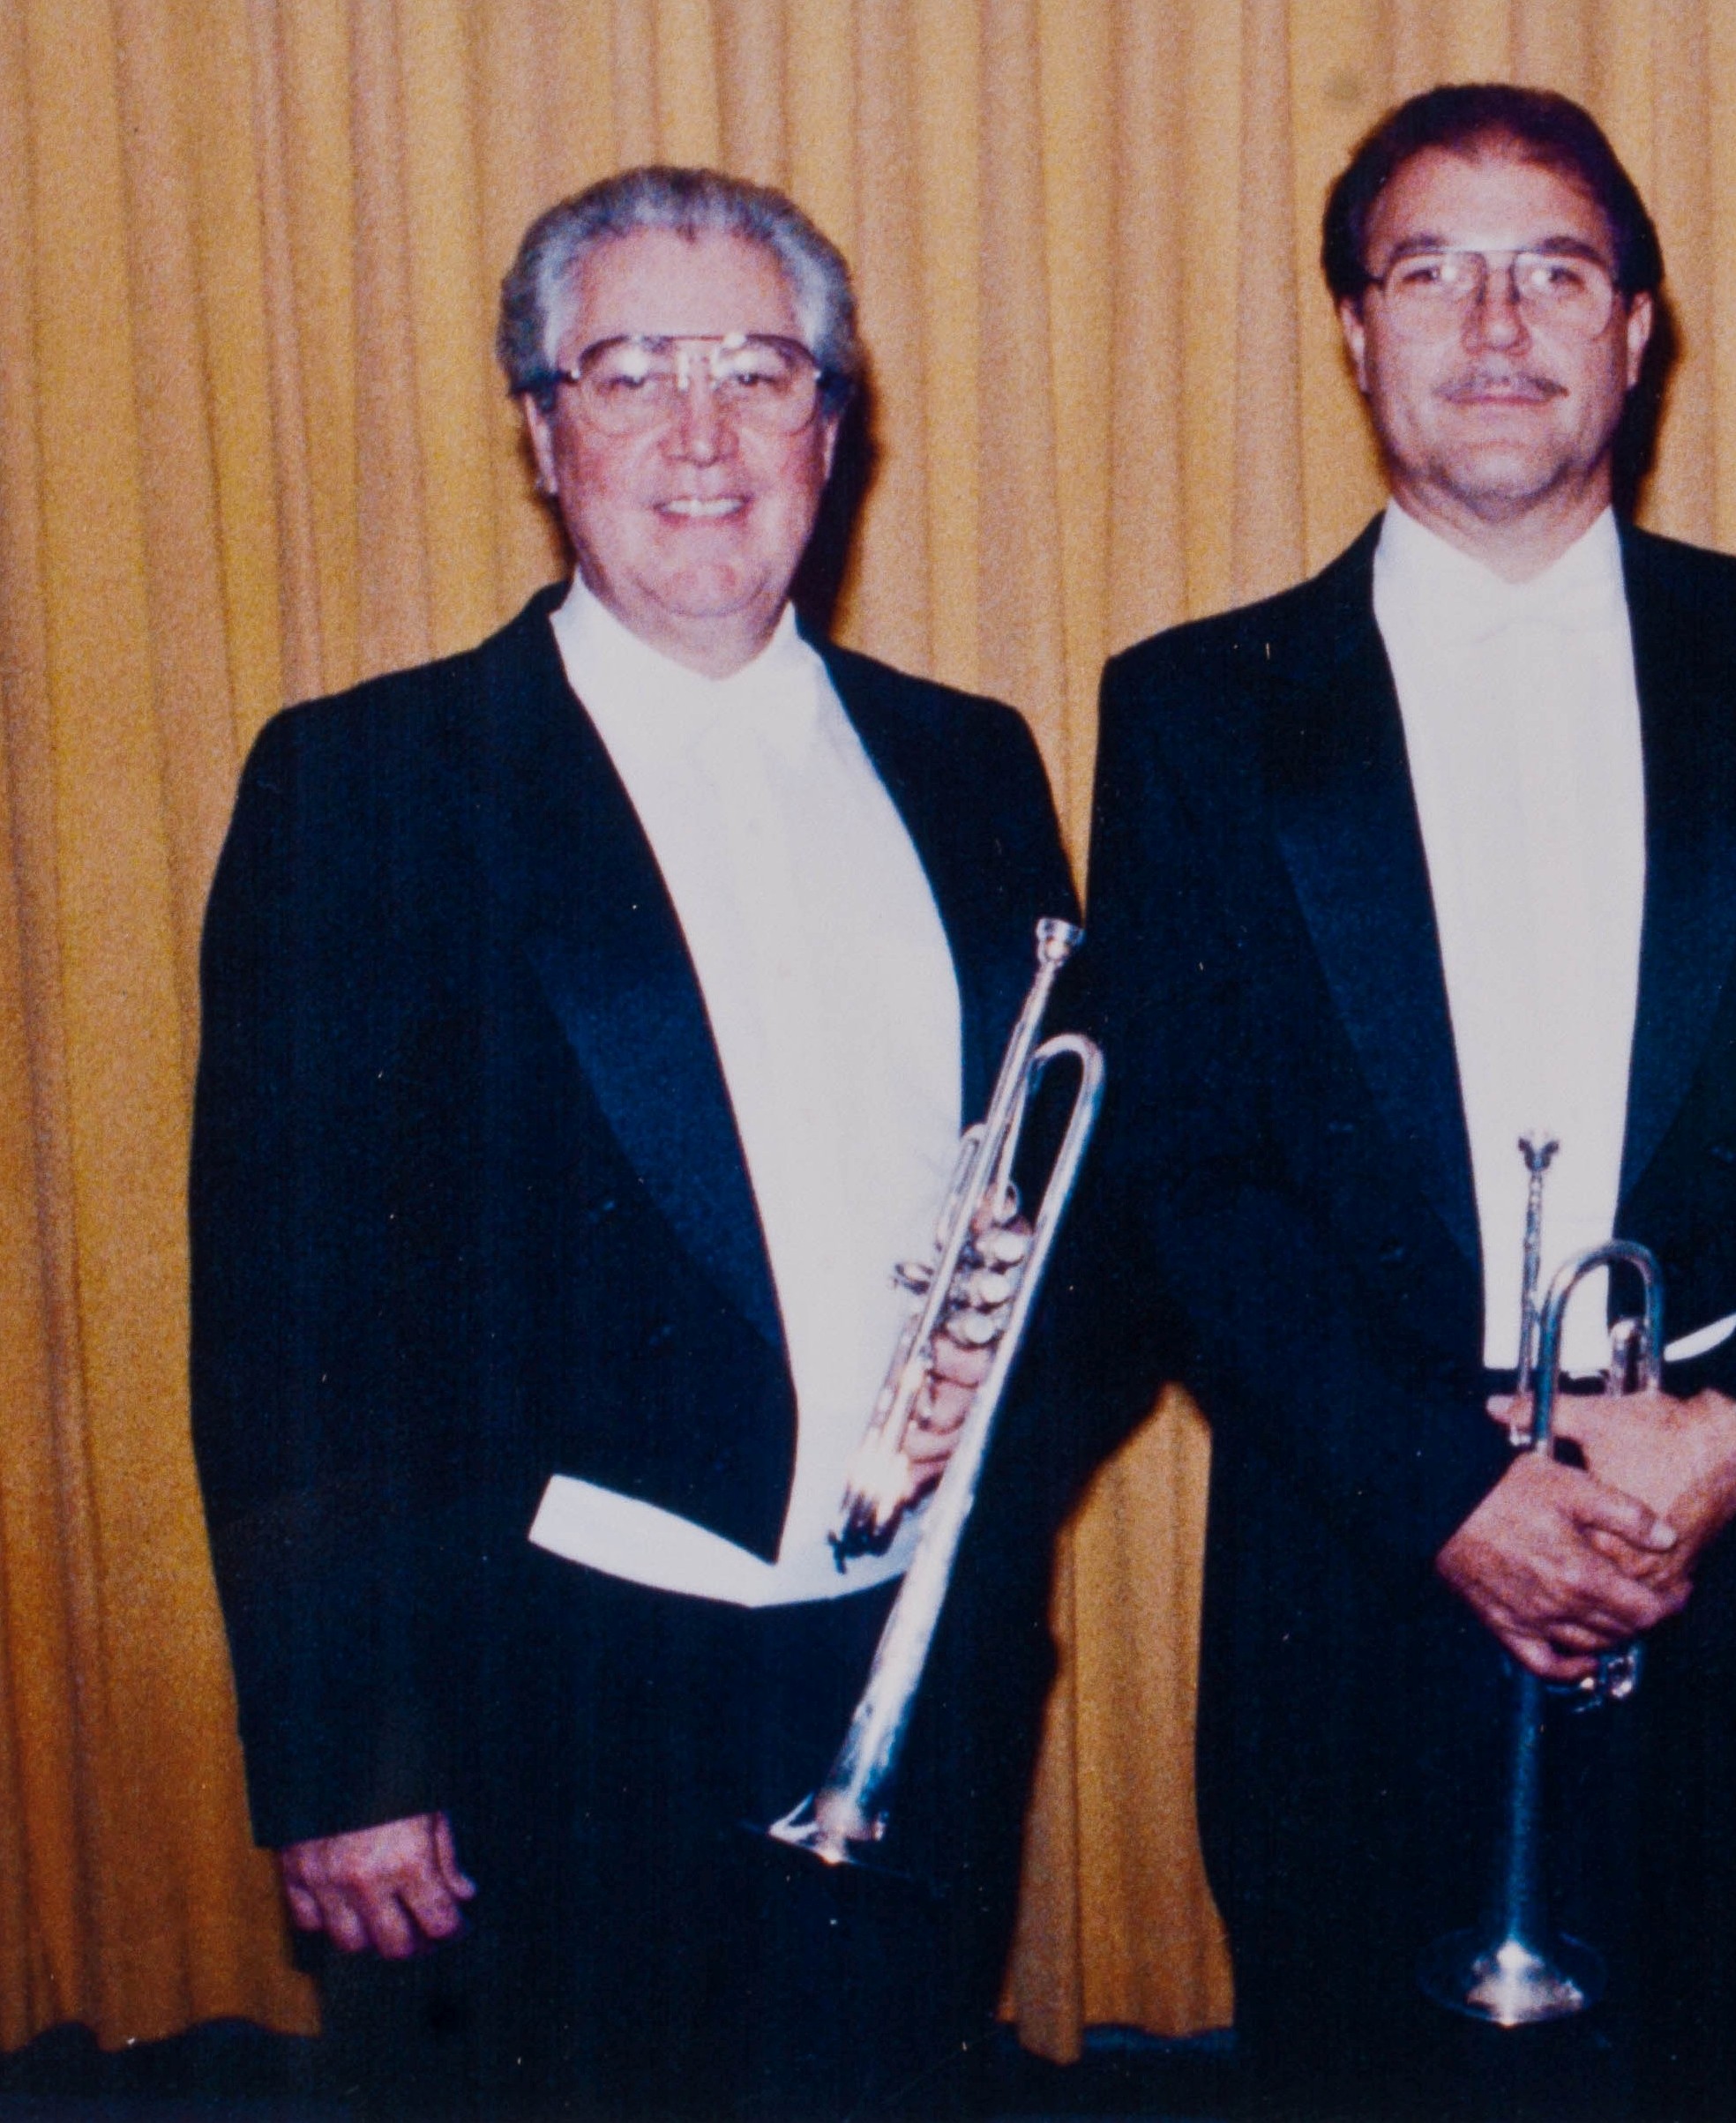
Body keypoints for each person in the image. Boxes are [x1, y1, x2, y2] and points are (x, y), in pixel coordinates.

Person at [188, 166, 1080, 2117]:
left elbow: (1053, 1195)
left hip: (900, 1686)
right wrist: (351, 1753)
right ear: (539, 428)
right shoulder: (367, 778)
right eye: (630, 372)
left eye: (758, 373)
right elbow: (284, 1309)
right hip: (537, 1703)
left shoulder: (972, 756)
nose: (699, 434)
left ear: (831, 431)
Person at [1075, 82, 1736, 2119]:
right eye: (1431, 270)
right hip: (1364, 1559)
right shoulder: (1189, 705)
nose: (1499, 323)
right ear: (1355, 331)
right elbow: (1182, 1174)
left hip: (1721, 1541)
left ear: (1640, 329)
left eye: (1558, 270)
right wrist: (1445, 1491)